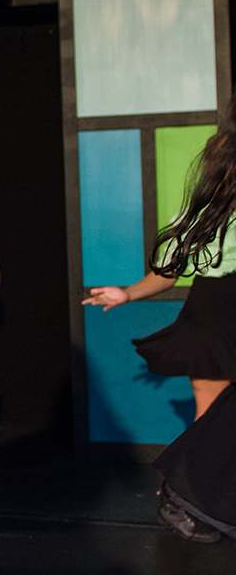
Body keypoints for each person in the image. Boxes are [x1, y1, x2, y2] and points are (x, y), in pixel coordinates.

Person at [84, 92, 236, 543]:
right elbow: (167, 271)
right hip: (216, 310)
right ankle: (188, 499)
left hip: (214, 309)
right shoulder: (210, 210)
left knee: (214, 416)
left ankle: (190, 497)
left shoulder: (209, 207)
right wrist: (127, 292)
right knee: (210, 414)